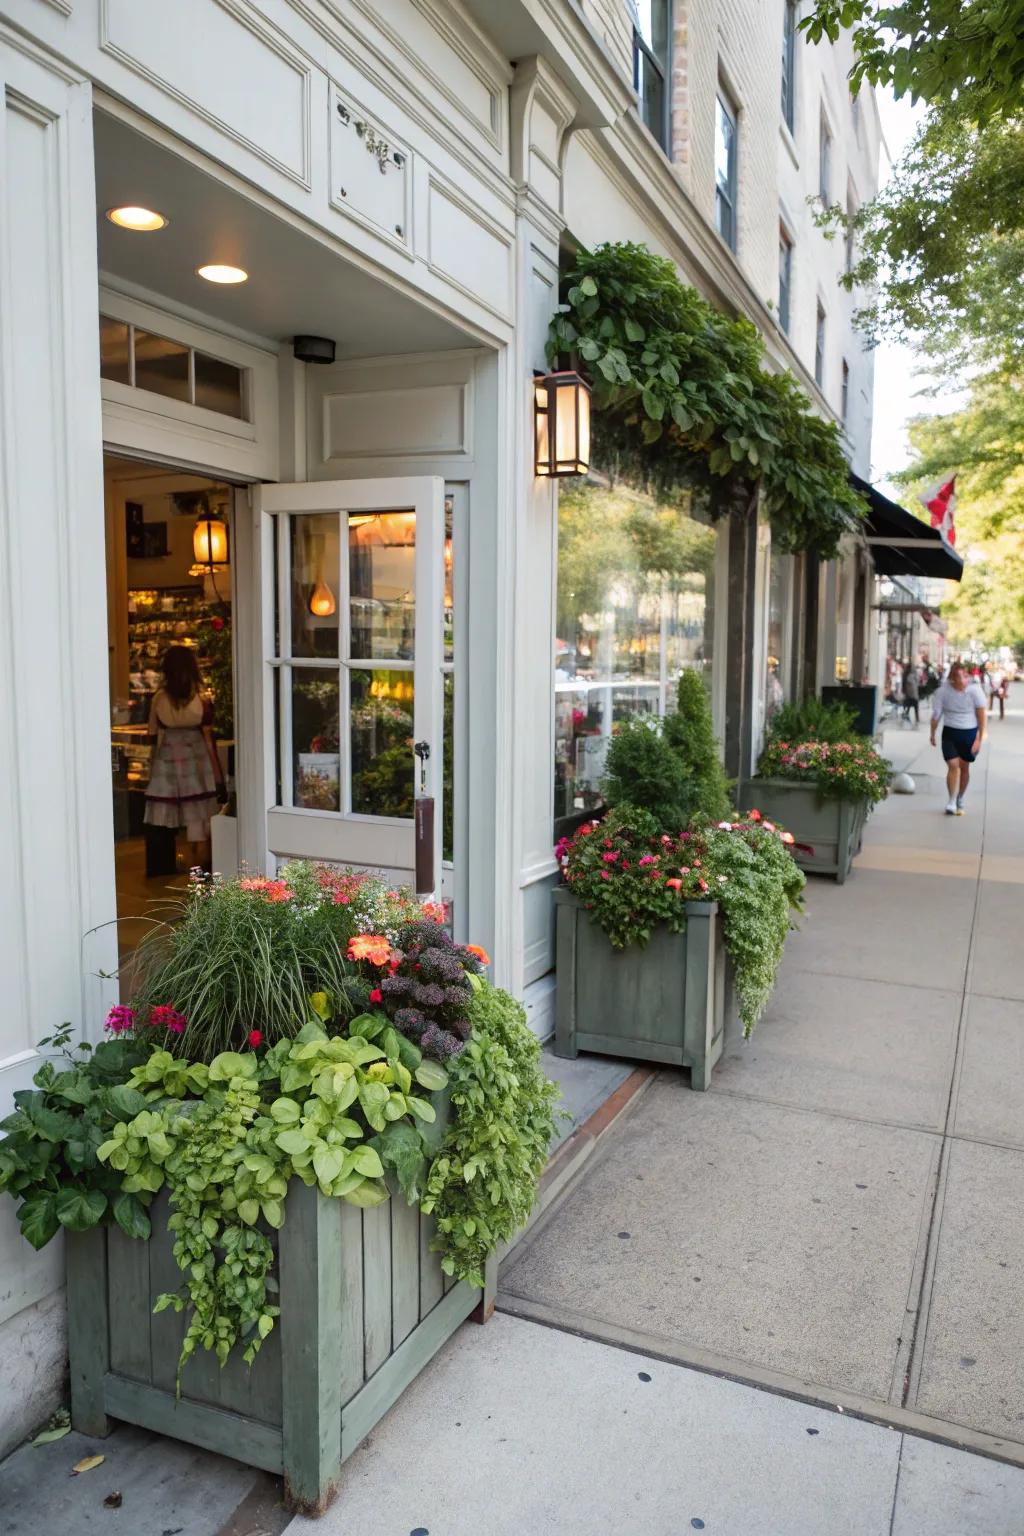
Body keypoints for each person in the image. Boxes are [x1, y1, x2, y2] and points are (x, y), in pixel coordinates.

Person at [144, 645, 226, 869]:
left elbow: (152, 732)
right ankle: (202, 876)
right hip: (198, 760)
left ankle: (177, 872)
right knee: (200, 823)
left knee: (170, 824)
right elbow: (209, 735)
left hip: (169, 763)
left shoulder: (159, 699)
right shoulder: (201, 697)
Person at [929, 659, 987, 815]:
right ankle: (951, 800)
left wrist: (979, 739)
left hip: (969, 733)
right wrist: (932, 733)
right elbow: (936, 715)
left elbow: (981, 716)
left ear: (967, 676)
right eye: (957, 677)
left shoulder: (975, 691)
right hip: (950, 732)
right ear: (951, 678)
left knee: (964, 767)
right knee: (953, 765)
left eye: (964, 676)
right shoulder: (943, 692)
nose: (962, 680)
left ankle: (960, 796)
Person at [901, 661, 920, 725]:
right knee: (914, 706)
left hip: (910, 694)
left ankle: (907, 716)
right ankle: (916, 718)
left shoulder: (907, 674)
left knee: (909, 706)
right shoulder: (911, 675)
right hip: (912, 694)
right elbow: (916, 683)